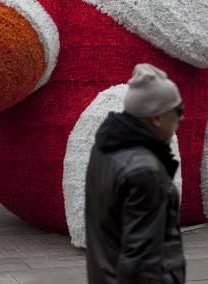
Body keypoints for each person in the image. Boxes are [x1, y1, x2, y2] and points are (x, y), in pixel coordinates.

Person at [85, 63, 186, 284]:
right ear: (157, 117)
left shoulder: (104, 150)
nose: (182, 119)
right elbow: (143, 264)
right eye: (178, 111)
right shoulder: (145, 172)